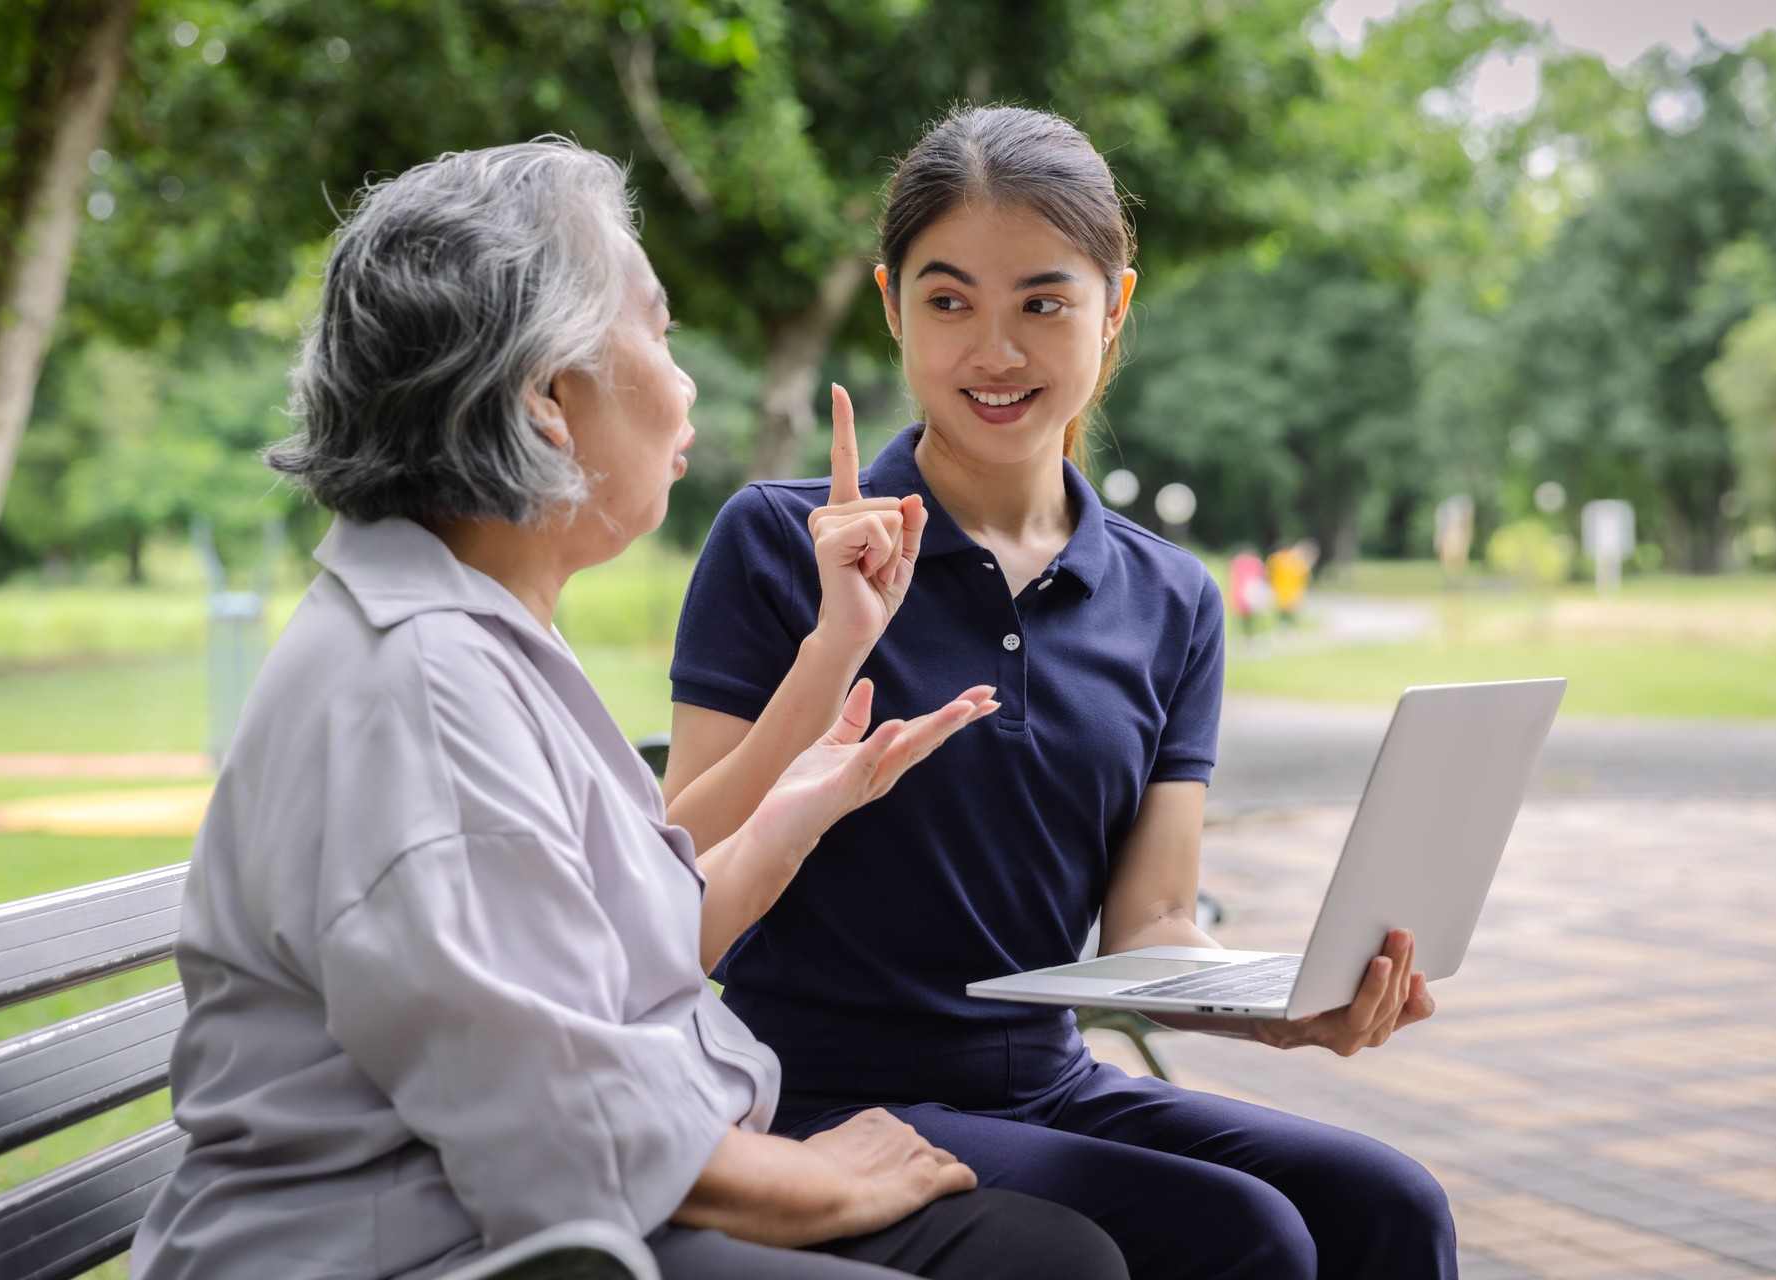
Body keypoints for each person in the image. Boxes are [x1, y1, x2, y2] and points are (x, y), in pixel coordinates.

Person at [130, 139, 1129, 1280]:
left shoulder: (468, 631)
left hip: (506, 1213)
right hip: (440, 1246)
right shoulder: (421, 685)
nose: (686, 378)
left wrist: (801, 784)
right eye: (654, 330)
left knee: (1041, 1247)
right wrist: (819, 1176)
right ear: (547, 397)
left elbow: (609, 950)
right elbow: (560, 1122)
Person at [665, 106, 1456, 1279]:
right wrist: (833, 644)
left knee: (1387, 1202)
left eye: (1043, 302)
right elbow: (672, 867)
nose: (995, 350)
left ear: (1114, 306)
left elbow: (1150, 927)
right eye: (948, 302)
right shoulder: (783, 543)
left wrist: (1289, 1003)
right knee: (1248, 1238)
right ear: (891, 307)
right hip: (820, 1087)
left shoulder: (1170, 596)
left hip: (1051, 1078)